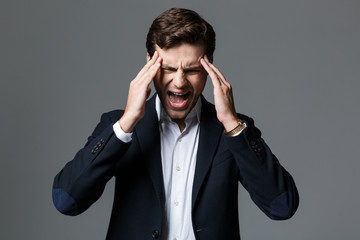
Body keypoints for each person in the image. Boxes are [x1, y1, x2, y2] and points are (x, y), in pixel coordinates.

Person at [52, 8, 299, 240]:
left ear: (209, 66)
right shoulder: (118, 128)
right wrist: (127, 123)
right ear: (149, 62)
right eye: (168, 68)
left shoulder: (234, 131)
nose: (179, 82)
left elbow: (282, 206)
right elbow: (67, 201)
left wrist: (232, 124)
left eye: (191, 70)